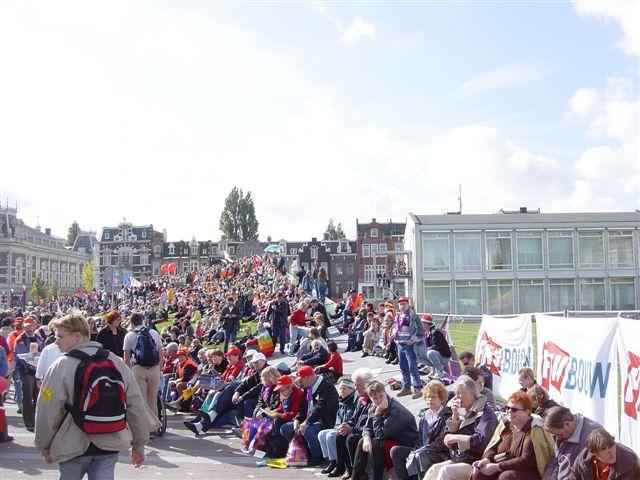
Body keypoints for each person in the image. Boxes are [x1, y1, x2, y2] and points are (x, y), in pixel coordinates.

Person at [34, 311, 154, 479]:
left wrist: (44, 445)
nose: (56, 341)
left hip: (72, 442)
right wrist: (139, 445)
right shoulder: (115, 361)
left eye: (60, 336)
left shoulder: (61, 365)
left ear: (77, 336)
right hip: (109, 440)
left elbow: (47, 408)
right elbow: (135, 404)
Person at [424, 375, 498, 480]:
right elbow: (449, 442)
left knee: (446, 471)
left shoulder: (485, 413)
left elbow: (482, 440)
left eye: (460, 393)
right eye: (456, 393)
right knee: (434, 469)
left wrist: (457, 438)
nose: (457, 397)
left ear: (472, 393)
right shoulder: (463, 411)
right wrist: (454, 417)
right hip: (460, 459)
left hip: (476, 461)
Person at [470, 391, 555, 480]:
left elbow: (526, 460)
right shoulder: (505, 424)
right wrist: (487, 459)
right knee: (479, 473)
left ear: (526, 412)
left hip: (528, 471)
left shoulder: (533, 429)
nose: (509, 411)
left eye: (514, 409)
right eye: (507, 407)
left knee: (506, 477)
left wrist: (498, 467)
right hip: (502, 465)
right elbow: (492, 447)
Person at [351, 380, 419, 480]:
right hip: (390, 440)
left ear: (385, 393)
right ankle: (356, 477)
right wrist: (366, 438)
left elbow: (381, 435)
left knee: (375, 443)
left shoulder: (396, 410)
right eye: (375, 398)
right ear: (370, 398)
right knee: (362, 441)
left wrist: (378, 413)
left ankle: (377, 477)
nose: (379, 400)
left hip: (405, 443)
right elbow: (367, 427)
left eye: (381, 396)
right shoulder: (375, 406)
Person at [390, 380, 452, 480]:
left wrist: (417, 452)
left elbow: (440, 444)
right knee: (396, 451)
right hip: (423, 451)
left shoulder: (447, 415)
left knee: (419, 456)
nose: (430, 400)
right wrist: (414, 451)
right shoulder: (425, 416)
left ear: (441, 399)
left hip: (440, 454)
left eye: (433, 397)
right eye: (428, 397)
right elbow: (419, 441)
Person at [280, 365, 339, 466]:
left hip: (325, 421)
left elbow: (321, 408)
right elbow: (303, 408)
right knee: (285, 428)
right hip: (311, 419)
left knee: (308, 430)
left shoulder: (327, 386)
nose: (300, 382)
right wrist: (297, 420)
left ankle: (318, 457)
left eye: (301, 379)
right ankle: (304, 451)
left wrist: (306, 422)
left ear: (308, 377)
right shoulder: (308, 388)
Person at [330, 368, 374, 478]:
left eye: (358, 385)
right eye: (355, 384)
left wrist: (352, 429)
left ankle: (360, 473)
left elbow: (370, 426)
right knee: (340, 435)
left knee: (352, 438)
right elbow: (354, 418)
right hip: (360, 430)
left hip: (370, 434)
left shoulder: (374, 399)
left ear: (368, 385)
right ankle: (346, 467)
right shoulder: (361, 399)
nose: (356, 387)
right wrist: (347, 425)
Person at [123, 313, 164, 430]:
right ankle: (154, 427)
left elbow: (126, 358)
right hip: (154, 368)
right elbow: (160, 353)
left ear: (132, 323)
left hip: (138, 368)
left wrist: (129, 373)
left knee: (141, 400)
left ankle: (143, 428)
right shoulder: (154, 333)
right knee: (152, 399)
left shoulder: (129, 335)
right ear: (142, 321)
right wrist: (158, 368)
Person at [542, 406, 603, 480]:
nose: (558, 438)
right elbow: (555, 461)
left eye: (559, 434)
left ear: (567, 424)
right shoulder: (563, 434)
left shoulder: (593, 435)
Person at [318, 376, 359, 474]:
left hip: (349, 428)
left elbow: (353, 419)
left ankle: (339, 463)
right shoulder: (341, 401)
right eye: (340, 388)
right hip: (340, 426)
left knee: (330, 436)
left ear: (352, 389)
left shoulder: (354, 401)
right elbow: (339, 417)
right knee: (322, 434)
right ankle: (332, 461)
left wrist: (342, 426)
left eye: (344, 388)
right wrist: (337, 426)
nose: (341, 390)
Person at [571, 428, 640, 480]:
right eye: (608, 453)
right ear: (594, 453)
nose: (613, 454)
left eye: (613, 448)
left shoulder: (628, 462)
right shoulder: (583, 459)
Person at [13, 316, 44, 432]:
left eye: (31, 326)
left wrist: (39, 360)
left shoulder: (39, 337)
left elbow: (43, 350)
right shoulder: (20, 339)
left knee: (38, 398)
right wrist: (30, 365)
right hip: (27, 372)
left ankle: (36, 421)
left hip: (38, 372)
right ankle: (28, 422)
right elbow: (20, 357)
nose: (29, 328)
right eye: (27, 326)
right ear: (24, 327)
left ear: (35, 326)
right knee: (27, 397)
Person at [393, 297, 424, 399]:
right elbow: (395, 328)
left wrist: (411, 340)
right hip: (400, 344)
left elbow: (420, 331)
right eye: (400, 304)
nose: (402, 306)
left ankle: (417, 388)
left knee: (412, 367)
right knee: (403, 367)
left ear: (408, 304)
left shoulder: (414, 317)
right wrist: (395, 338)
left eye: (404, 304)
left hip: (409, 344)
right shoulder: (398, 316)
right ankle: (406, 387)